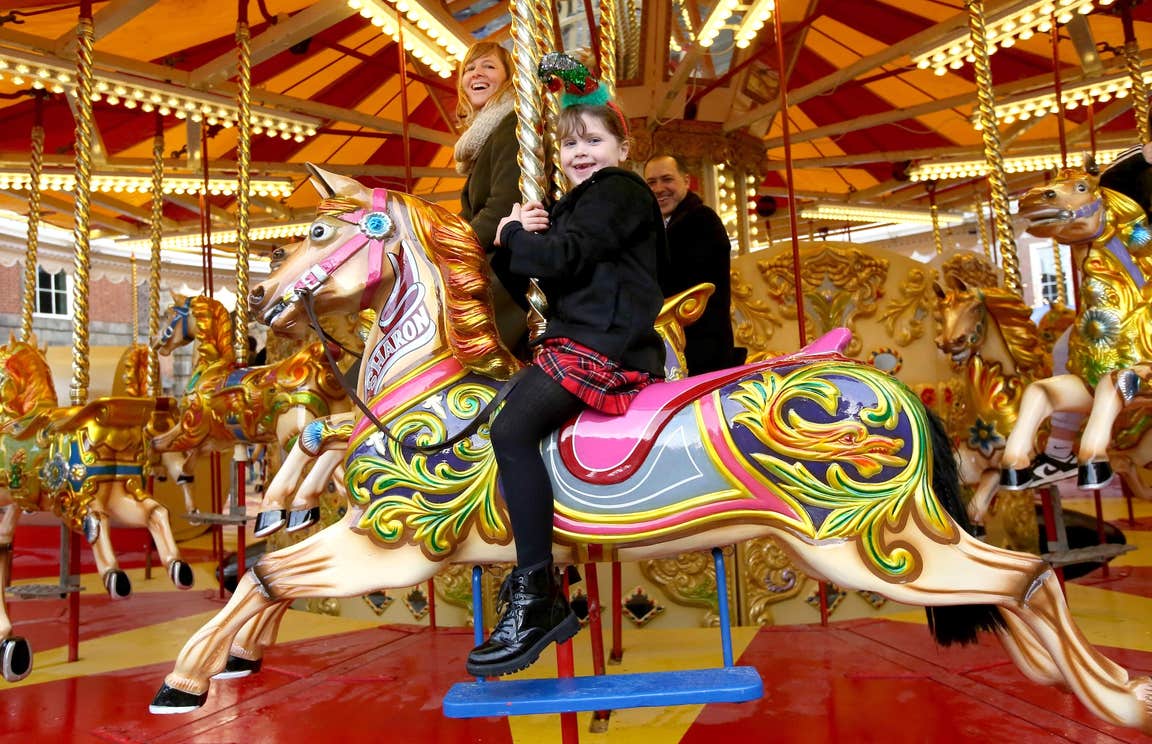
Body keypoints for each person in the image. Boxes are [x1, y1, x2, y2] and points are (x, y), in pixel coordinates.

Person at [466, 56, 667, 678]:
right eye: (571, 143)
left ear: (622, 145)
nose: (581, 153)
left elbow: (565, 257)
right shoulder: (578, 202)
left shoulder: (620, 191)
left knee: (510, 429)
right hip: (578, 337)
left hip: (605, 343)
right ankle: (542, 585)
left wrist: (518, 237)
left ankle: (536, 596)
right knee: (501, 416)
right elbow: (531, 272)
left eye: (594, 141)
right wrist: (510, 241)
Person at [454, 41, 529, 351]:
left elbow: (502, 206)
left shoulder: (511, 123)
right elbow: (471, 212)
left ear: (508, 76)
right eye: (469, 68)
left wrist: (453, 247)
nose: (476, 73)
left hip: (511, 265)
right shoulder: (481, 139)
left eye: (488, 66)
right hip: (496, 256)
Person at [644, 154, 743, 374]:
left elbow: (675, 280)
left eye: (667, 179)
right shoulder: (659, 226)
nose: (659, 188)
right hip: (673, 342)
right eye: (652, 182)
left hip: (699, 345)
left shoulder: (701, 220)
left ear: (686, 181)